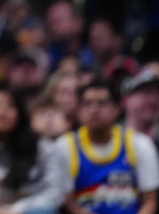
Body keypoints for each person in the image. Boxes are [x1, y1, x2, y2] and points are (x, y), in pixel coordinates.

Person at [58, 79, 159, 214]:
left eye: (102, 103)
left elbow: (150, 201)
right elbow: (68, 204)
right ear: (78, 110)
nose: (94, 110)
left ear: (117, 109)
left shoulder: (140, 144)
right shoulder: (65, 146)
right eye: (87, 103)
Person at [123, 69, 159, 144]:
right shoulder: (111, 141)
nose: (153, 98)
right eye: (147, 92)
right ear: (126, 99)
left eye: (157, 93)